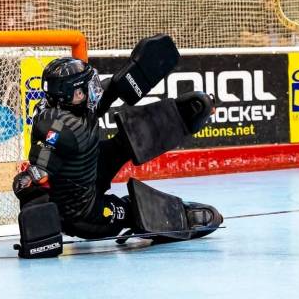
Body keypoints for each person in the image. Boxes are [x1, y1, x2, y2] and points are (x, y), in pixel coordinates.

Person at [12, 35, 223, 258]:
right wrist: (30, 187)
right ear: (75, 94)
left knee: (124, 141)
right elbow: (39, 172)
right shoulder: (57, 129)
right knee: (132, 210)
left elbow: (111, 90)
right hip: (84, 214)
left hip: (88, 173)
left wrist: (136, 72)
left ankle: (180, 119)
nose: (93, 90)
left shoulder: (79, 107)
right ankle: (172, 217)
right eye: (86, 87)